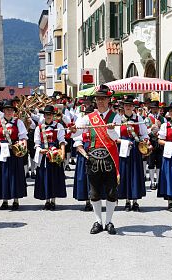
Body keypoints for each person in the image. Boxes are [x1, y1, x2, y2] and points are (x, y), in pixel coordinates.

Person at [71, 84, 120, 235]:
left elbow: (116, 138)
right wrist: (73, 130)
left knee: (111, 192)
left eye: (103, 99)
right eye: (98, 99)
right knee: (94, 192)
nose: (100, 101)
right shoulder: (88, 118)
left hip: (109, 158)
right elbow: (76, 133)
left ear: (108, 100)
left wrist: (111, 129)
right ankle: (98, 221)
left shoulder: (115, 117)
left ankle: (109, 221)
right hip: (93, 158)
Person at [0, 100, 28, 210]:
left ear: (14, 111)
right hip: (1, 151)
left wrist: (22, 146)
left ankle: (16, 200)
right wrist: (2, 146)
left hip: (15, 151)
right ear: (3, 111)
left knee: (15, 174)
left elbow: (23, 137)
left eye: (11, 110)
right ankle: (4, 200)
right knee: (3, 174)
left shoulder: (18, 122)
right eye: (7, 110)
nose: (9, 112)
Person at [117, 95, 148, 211]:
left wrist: (144, 143)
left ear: (133, 107)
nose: (128, 107)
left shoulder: (139, 119)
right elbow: (115, 137)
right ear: (123, 107)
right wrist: (124, 143)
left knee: (135, 173)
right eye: (126, 105)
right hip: (123, 149)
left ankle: (135, 201)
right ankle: (127, 201)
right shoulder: (118, 119)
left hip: (135, 148)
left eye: (130, 105)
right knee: (125, 173)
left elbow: (144, 134)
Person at [34, 105, 66, 210]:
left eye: (50, 114)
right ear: (44, 115)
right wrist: (40, 150)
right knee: (45, 177)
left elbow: (62, 141)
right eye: (47, 114)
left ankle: (53, 200)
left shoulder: (59, 126)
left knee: (55, 177)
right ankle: (47, 200)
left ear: (53, 115)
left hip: (55, 154)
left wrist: (62, 153)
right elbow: (37, 142)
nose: (48, 116)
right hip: (44, 155)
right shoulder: (39, 127)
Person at [73, 105, 95, 211]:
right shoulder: (80, 124)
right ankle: (87, 201)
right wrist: (85, 154)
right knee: (84, 178)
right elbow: (77, 142)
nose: (89, 117)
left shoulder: (97, 126)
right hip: (84, 155)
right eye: (87, 114)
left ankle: (96, 200)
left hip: (96, 155)